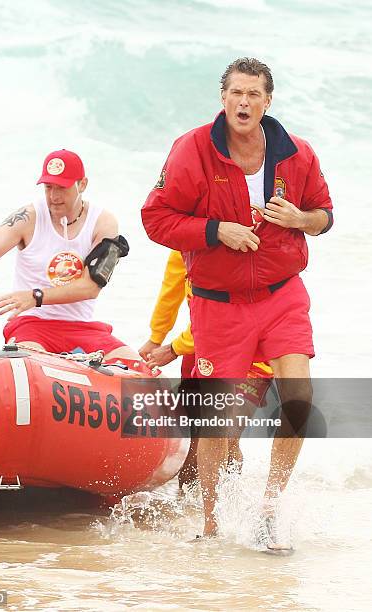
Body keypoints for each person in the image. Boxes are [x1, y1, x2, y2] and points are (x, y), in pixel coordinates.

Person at [141, 58, 333, 550]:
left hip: (281, 293)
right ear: (222, 98)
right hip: (218, 303)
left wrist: (300, 218)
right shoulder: (191, 151)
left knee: (299, 396)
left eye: (254, 95)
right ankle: (210, 525)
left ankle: (270, 508)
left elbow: (326, 217)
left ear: (269, 102)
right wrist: (214, 231)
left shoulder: (298, 154)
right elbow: (155, 218)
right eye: (236, 94)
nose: (244, 103)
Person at [0, 149, 138, 361]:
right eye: (48, 187)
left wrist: (35, 297)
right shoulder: (28, 217)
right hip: (31, 325)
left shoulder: (103, 222)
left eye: (62, 188)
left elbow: (91, 287)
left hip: (81, 328)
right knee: (30, 364)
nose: (53, 197)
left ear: (82, 184)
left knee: (137, 368)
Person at [139, 249, 273, 489]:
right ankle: (188, 508)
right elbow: (170, 294)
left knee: (226, 433)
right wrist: (155, 339)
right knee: (193, 440)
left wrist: (173, 348)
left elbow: (225, 316)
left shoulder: (241, 243)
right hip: (200, 348)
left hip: (254, 355)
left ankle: (229, 503)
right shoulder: (182, 245)